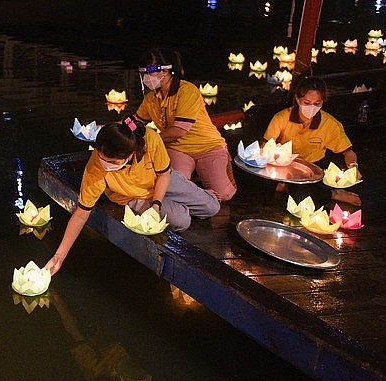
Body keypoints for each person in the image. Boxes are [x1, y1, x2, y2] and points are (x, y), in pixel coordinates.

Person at [45, 115, 220, 276]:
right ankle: (181, 202)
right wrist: (59, 255)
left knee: (212, 207)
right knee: (182, 220)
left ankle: (193, 197)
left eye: (113, 162)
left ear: (130, 155)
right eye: (101, 157)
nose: (105, 164)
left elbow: (164, 174)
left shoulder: (150, 139)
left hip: (160, 179)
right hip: (133, 196)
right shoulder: (95, 168)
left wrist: (156, 205)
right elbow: (82, 213)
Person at [135, 49, 237, 202]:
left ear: (165, 71)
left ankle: (196, 193)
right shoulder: (151, 98)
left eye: (150, 71)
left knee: (224, 195)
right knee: (172, 189)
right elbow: (136, 121)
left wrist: (151, 139)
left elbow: (179, 130)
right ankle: (197, 194)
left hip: (208, 147)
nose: (147, 77)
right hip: (177, 149)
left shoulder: (187, 90)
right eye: (143, 72)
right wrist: (115, 128)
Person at [263, 76, 362, 206]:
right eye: (307, 102)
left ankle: (333, 193)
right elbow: (265, 145)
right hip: (283, 167)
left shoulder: (331, 124)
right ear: (298, 100)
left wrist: (353, 167)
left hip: (312, 170)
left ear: (322, 102)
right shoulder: (281, 118)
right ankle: (286, 186)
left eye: (316, 104)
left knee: (302, 197)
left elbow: (348, 153)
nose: (311, 108)